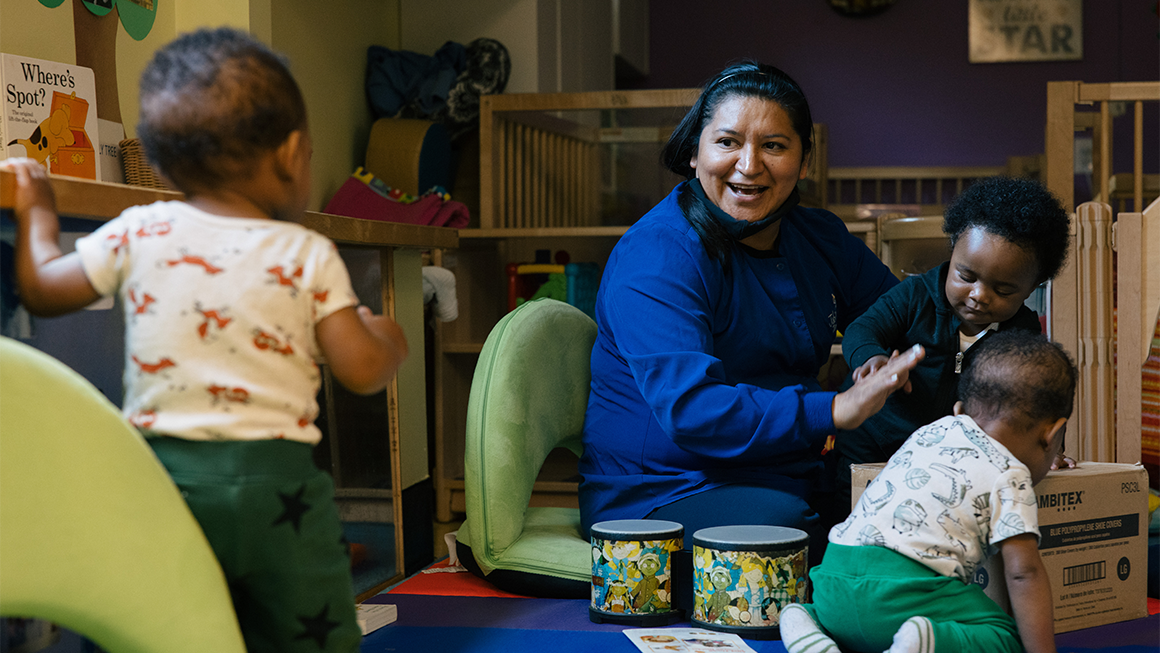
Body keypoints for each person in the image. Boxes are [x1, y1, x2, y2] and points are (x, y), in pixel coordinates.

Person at [3, 28, 407, 653]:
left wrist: (38, 210)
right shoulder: (305, 252)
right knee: (312, 636)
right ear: (291, 153)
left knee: (165, 623)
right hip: (280, 492)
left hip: (165, 481)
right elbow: (360, 368)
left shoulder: (140, 229)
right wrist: (387, 337)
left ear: (161, 161)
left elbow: (44, 287)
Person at [578, 60, 920, 578]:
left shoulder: (818, 236)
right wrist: (833, 409)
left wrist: (1000, 428)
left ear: (804, 160)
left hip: (787, 462)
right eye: (728, 142)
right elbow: (693, 410)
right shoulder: (657, 255)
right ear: (695, 153)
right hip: (664, 488)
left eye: (775, 146)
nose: (749, 164)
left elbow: (906, 317)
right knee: (791, 534)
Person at [781, 330, 1075, 653]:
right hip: (905, 595)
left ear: (960, 410)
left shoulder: (931, 432)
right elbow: (1023, 574)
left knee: (817, 612)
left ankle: (804, 626)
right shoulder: (1011, 473)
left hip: (833, 579)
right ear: (1053, 434)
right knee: (1005, 636)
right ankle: (925, 640)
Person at [834, 176, 1072, 513]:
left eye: (1003, 290)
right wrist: (872, 359)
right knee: (851, 509)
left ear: (1033, 285)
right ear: (953, 250)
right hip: (875, 441)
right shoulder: (916, 296)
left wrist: (1051, 448)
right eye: (966, 276)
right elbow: (864, 328)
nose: (979, 296)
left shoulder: (1021, 332)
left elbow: (1039, 394)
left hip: (948, 456)